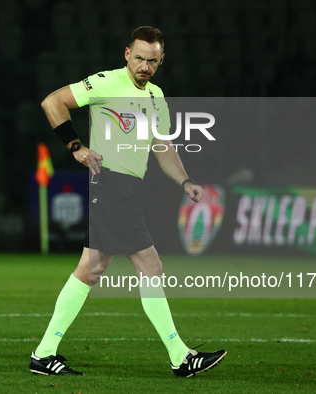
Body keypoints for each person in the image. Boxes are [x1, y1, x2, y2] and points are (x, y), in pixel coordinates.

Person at [30, 26, 226, 377]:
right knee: (150, 267)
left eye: (152, 61)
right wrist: (76, 147)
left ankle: (44, 354)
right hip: (110, 184)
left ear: (161, 60)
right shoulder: (106, 83)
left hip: (126, 188)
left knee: (92, 269)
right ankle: (181, 356)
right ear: (126, 54)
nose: (144, 66)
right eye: (138, 58)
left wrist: (185, 180)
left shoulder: (157, 97)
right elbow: (52, 102)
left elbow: (163, 147)